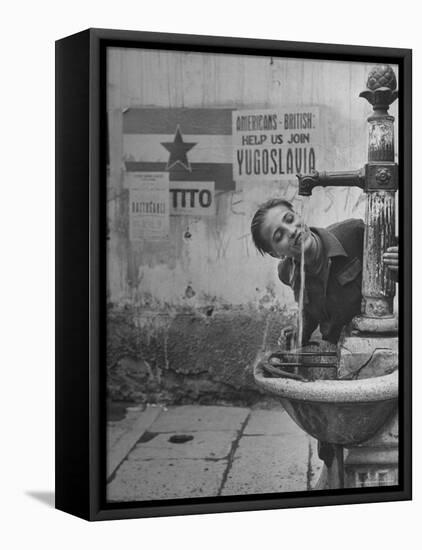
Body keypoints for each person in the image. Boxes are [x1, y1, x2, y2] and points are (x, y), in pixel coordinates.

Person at [251, 198, 399, 346]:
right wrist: (299, 334)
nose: (291, 231)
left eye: (290, 219)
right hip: (337, 350)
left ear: (299, 215)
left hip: (380, 340)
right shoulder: (287, 273)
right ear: (276, 254)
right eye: (279, 236)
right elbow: (311, 308)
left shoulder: (355, 233)